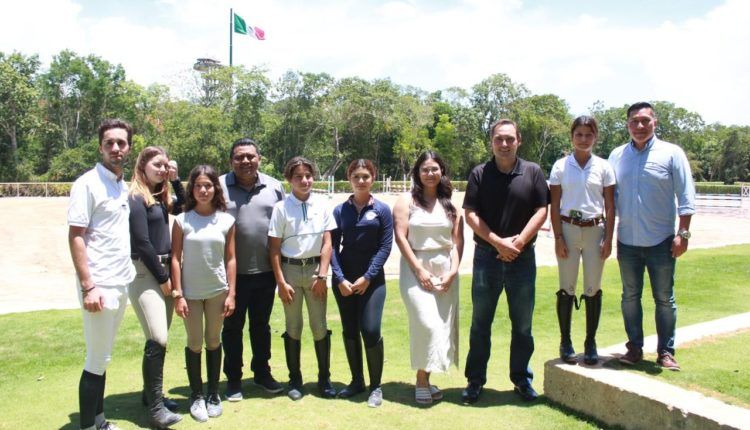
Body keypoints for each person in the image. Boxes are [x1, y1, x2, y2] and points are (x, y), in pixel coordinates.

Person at [462, 119, 549, 404]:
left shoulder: (533, 171)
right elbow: (470, 214)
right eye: (499, 139)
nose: (504, 144)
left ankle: (522, 379)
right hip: (486, 258)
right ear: (491, 141)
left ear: (518, 140)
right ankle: (475, 380)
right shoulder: (479, 173)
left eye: (509, 139)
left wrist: (518, 242)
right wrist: (498, 242)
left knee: (522, 325)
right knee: (480, 323)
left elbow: (541, 210)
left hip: (522, 259)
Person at [608, 102, 695, 371]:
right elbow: (609, 198)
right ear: (627, 124)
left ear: (654, 122)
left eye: (645, 120)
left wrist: (683, 234)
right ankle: (634, 348)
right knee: (629, 297)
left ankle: (666, 351)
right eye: (634, 121)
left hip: (662, 241)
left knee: (664, 299)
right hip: (627, 241)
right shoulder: (617, 156)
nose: (640, 126)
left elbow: (686, 196)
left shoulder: (672, 153)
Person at [68, 119, 136, 430]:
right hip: (99, 285)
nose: (116, 148)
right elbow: (76, 236)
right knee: (96, 359)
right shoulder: (87, 183)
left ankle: (99, 421)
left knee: (103, 356)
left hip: (120, 281)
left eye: (121, 143)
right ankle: (88, 426)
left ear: (129, 147)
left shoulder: (121, 185)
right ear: (100, 147)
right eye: (109, 143)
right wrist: (88, 286)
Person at [393, 151, 463, 405]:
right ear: (417, 172)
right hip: (415, 268)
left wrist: (453, 271)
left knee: (441, 327)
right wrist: (419, 270)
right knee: (427, 323)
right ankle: (421, 380)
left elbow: (458, 242)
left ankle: (426, 377)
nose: (430, 173)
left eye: (435, 169)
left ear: (442, 171)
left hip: (445, 269)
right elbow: (400, 237)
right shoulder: (406, 201)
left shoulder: (450, 205)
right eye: (425, 169)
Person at [219, 138, 286, 400]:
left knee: (261, 326)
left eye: (250, 156)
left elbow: (284, 226)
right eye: (239, 157)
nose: (245, 161)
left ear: (259, 158)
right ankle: (233, 379)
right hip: (230, 275)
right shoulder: (219, 186)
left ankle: (261, 372)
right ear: (231, 161)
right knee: (232, 328)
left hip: (266, 272)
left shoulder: (274, 187)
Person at [268, 156, 338, 401]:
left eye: (308, 176)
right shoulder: (281, 208)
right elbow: (274, 248)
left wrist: (322, 275)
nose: (304, 180)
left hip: (315, 272)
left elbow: (327, 243)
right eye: (298, 176)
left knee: (319, 326)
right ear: (289, 179)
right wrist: (281, 282)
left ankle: (324, 379)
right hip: (290, 272)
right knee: (293, 326)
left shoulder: (323, 204)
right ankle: (295, 379)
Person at [171, 165, 236, 422]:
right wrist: (178, 294)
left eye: (208, 185)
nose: (203, 190)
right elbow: (175, 258)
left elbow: (231, 259)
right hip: (190, 293)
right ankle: (196, 395)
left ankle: (213, 394)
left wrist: (232, 293)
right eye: (198, 186)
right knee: (195, 342)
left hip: (218, 291)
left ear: (215, 188)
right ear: (192, 190)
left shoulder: (226, 221)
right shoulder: (182, 220)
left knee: (213, 341)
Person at [549, 116, 615, 365]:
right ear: (572, 136)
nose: (583, 139)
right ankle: (565, 340)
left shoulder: (604, 167)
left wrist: (609, 238)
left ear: (595, 137)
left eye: (589, 135)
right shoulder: (560, 166)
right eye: (579, 134)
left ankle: (590, 341)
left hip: (595, 229)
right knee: (566, 286)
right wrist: (558, 237)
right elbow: (555, 205)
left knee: (592, 287)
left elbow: (610, 206)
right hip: (568, 229)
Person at [128, 146, 184, 428]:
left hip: (163, 271)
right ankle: (155, 410)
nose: (162, 169)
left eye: (165, 165)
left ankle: (150, 395)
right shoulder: (136, 198)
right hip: (145, 273)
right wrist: (163, 279)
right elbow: (142, 243)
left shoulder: (159, 197)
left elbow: (184, 206)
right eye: (157, 165)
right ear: (143, 166)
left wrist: (175, 179)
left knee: (158, 339)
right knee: (158, 338)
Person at [330, 159, 393, 408]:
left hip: (372, 280)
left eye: (365, 176)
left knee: (370, 329)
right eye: (356, 176)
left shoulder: (382, 210)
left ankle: (375, 386)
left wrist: (368, 276)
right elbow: (331, 247)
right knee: (349, 330)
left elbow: (385, 246)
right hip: (344, 280)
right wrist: (340, 278)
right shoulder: (339, 211)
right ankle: (357, 381)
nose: (361, 180)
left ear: (373, 178)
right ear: (349, 179)